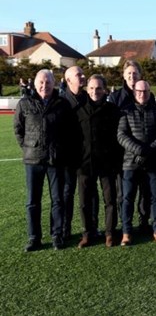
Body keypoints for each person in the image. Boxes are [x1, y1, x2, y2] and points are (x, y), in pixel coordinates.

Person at [14, 69, 75, 251]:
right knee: (33, 201)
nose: (44, 86)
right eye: (41, 82)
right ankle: (34, 237)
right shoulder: (24, 103)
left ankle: (57, 235)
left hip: (55, 160)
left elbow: (68, 131)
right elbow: (18, 129)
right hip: (33, 161)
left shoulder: (62, 104)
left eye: (48, 82)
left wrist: (60, 150)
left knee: (57, 200)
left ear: (53, 84)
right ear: (35, 83)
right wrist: (27, 148)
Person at [117, 80, 156, 246]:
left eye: (145, 91)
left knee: (155, 197)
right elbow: (122, 136)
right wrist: (139, 150)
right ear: (134, 92)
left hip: (153, 162)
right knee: (128, 198)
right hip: (130, 164)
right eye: (139, 91)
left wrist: (149, 150)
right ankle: (126, 232)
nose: (142, 94)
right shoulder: (125, 112)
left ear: (149, 92)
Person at [109, 60, 155, 233]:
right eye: (129, 73)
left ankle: (144, 221)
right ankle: (125, 225)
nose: (132, 76)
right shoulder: (116, 98)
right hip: (124, 154)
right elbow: (116, 129)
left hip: (146, 153)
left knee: (146, 190)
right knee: (124, 193)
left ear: (140, 75)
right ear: (123, 75)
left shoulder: (146, 94)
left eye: (135, 73)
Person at [75, 74, 121, 248]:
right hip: (84, 163)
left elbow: (118, 137)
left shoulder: (112, 110)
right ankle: (87, 234)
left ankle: (110, 233)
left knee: (110, 201)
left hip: (107, 163)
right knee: (85, 202)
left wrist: (116, 160)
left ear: (105, 90)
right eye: (92, 88)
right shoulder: (79, 109)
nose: (95, 91)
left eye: (99, 88)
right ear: (87, 89)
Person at [60, 66, 88, 240]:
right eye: (79, 75)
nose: (83, 76)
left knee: (88, 194)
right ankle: (65, 229)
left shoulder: (88, 98)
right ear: (69, 80)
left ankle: (90, 228)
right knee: (66, 194)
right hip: (68, 158)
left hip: (86, 156)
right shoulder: (61, 101)